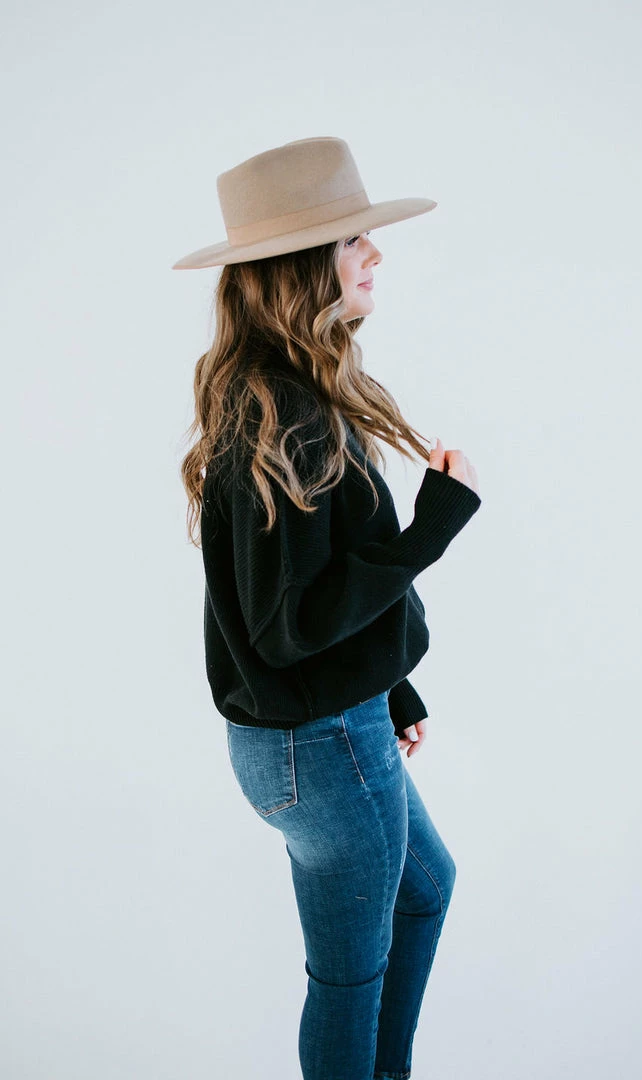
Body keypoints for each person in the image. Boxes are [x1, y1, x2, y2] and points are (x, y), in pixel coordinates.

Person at [174, 136, 482, 1080]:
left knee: (424, 889)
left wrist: (389, 685)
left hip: (327, 726)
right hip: (319, 745)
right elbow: (288, 626)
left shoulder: (282, 393)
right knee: (351, 976)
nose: (374, 254)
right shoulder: (284, 411)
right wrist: (433, 527)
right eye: (354, 240)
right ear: (304, 265)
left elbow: (298, 596)